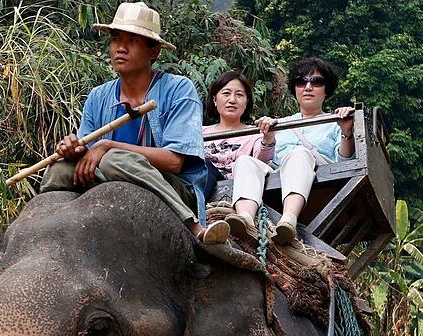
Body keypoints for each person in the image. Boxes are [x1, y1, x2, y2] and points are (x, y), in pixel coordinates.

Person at [40, 2, 228, 245]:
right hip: (108, 175)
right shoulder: (98, 96)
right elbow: (89, 153)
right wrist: (74, 150)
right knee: (58, 169)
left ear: (154, 51)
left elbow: (174, 161)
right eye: (116, 39)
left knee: (116, 159)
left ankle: (193, 226)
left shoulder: (179, 89)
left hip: (171, 187)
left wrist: (108, 146)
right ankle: (38, 235)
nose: (121, 48)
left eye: (133, 40)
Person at [226, 57, 355, 244]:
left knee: (299, 154)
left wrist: (345, 130)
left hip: (319, 184)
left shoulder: (333, 122)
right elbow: (268, 162)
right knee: (245, 161)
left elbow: (343, 166)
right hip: (279, 179)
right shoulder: (281, 124)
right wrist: (268, 137)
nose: (308, 87)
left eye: (316, 82)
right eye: (301, 81)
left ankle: (288, 220)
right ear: (295, 88)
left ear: (327, 89)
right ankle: (245, 218)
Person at [202, 71, 275, 188]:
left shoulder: (255, 134)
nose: (232, 100)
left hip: (239, 191)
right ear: (215, 100)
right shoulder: (200, 132)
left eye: (239, 95)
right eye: (226, 93)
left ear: (246, 102)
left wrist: (269, 137)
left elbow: (261, 162)